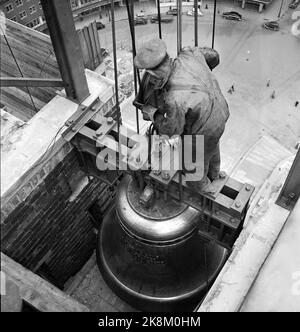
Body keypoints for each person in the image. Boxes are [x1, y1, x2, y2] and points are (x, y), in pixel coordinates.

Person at [133, 39, 229, 194]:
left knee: (193, 166)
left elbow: (171, 131)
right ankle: (215, 174)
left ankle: (205, 191)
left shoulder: (175, 99)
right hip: (221, 112)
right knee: (211, 147)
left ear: (153, 72)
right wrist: (202, 72)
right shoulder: (190, 53)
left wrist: (152, 114)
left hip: (206, 129)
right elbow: (214, 56)